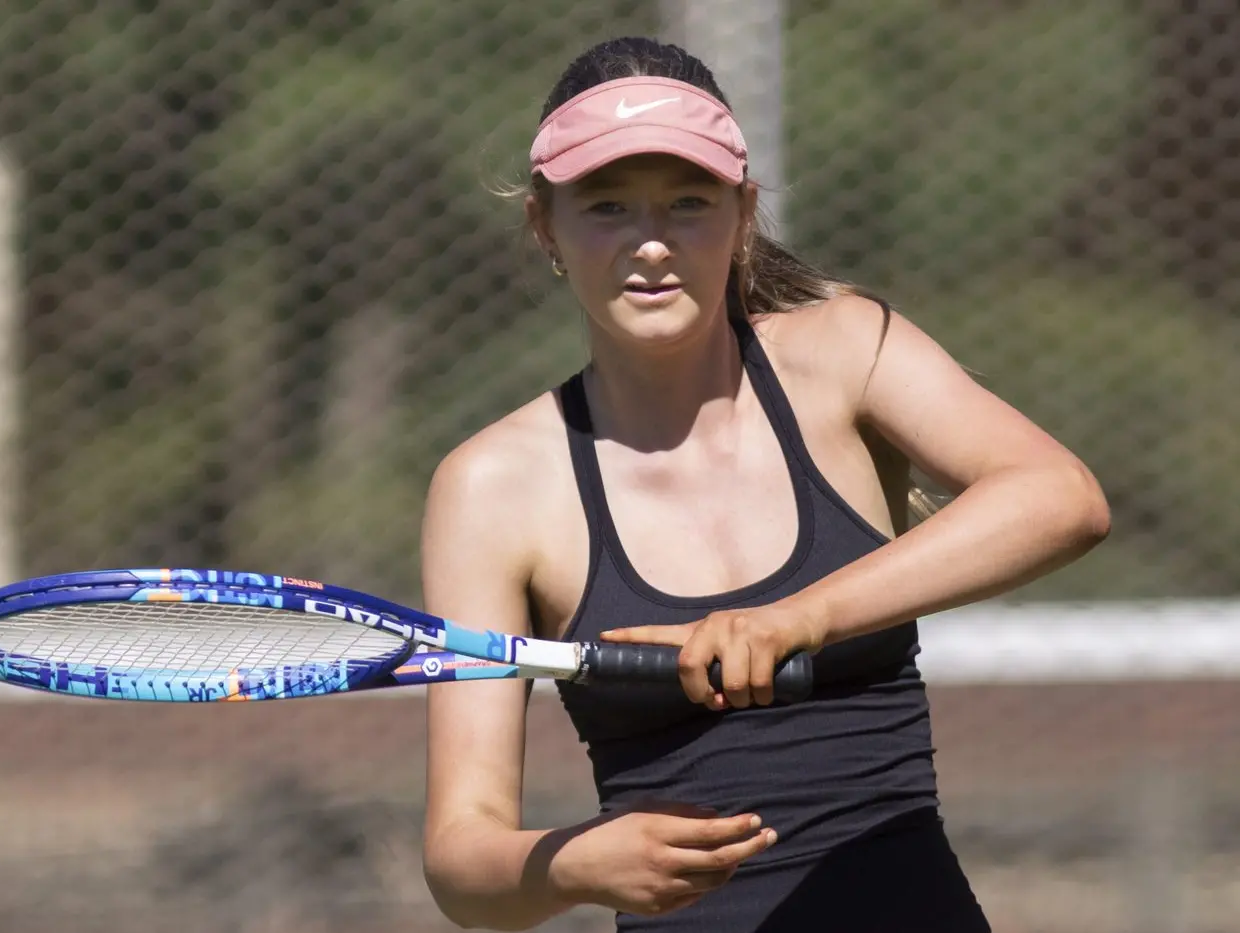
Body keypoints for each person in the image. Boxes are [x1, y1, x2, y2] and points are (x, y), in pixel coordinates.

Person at [418, 36, 1110, 933]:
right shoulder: (491, 485)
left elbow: (1062, 497)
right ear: (545, 226)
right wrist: (575, 863)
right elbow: (463, 863)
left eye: (689, 202)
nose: (651, 242)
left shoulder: (845, 353)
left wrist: (795, 619)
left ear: (743, 213)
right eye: (607, 205)